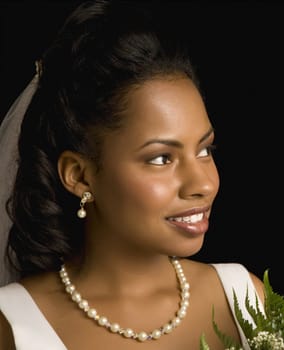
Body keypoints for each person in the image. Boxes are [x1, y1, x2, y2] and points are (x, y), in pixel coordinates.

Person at [0, 1, 266, 349]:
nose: (203, 184)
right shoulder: (13, 325)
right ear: (79, 175)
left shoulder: (243, 298)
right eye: (160, 159)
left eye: (204, 150)